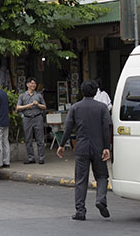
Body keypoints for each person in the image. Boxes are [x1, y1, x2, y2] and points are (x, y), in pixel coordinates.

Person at [57, 79, 111, 221]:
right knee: (102, 176)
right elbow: (106, 128)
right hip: (98, 147)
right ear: (95, 92)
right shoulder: (102, 107)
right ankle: (100, 199)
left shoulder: (75, 107)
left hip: (81, 147)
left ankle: (80, 211)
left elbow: (68, 128)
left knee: (81, 179)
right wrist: (107, 147)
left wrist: (61, 145)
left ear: (82, 92)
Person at [16, 77, 47, 164]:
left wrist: (38, 104)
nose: (33, 85)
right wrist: (27, 106)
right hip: (27, 118)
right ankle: (31, 157)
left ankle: (41, 157)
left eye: (34, 84)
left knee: (40, 139)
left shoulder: (39, 95)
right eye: (31, 83)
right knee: (28, 139)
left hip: (38, 117)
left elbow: (44, 107)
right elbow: (18, 107)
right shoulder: (22, 96)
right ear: (27, 84)